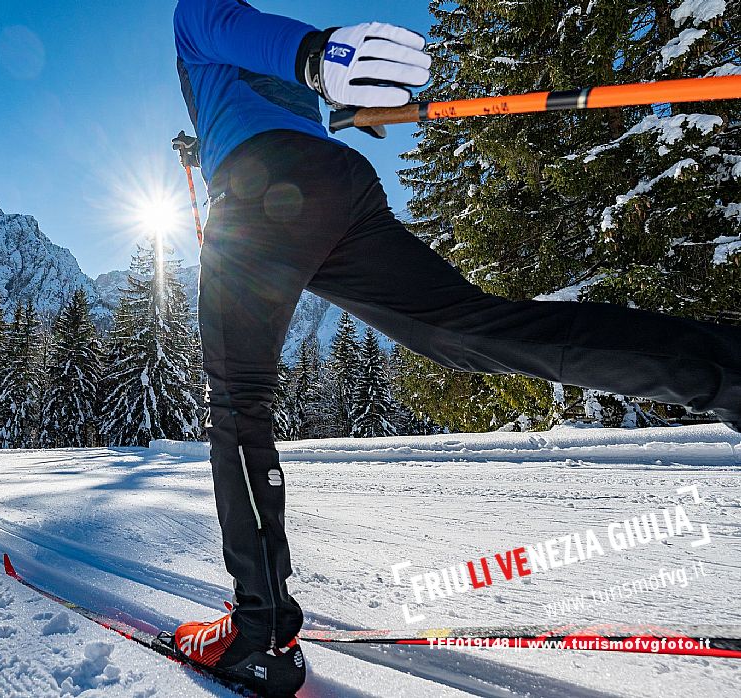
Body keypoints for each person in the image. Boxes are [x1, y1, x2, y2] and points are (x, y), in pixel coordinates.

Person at [170, 1, 741, 694]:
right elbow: (270, 81)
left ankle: (258, 635)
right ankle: (726, 371)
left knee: (237, 402)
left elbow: (227, 27)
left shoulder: (197, 16)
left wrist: (314, 56)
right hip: (335, 187)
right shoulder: (265, 80)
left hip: (261, 195)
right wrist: (278, 99)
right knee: (465, 330)